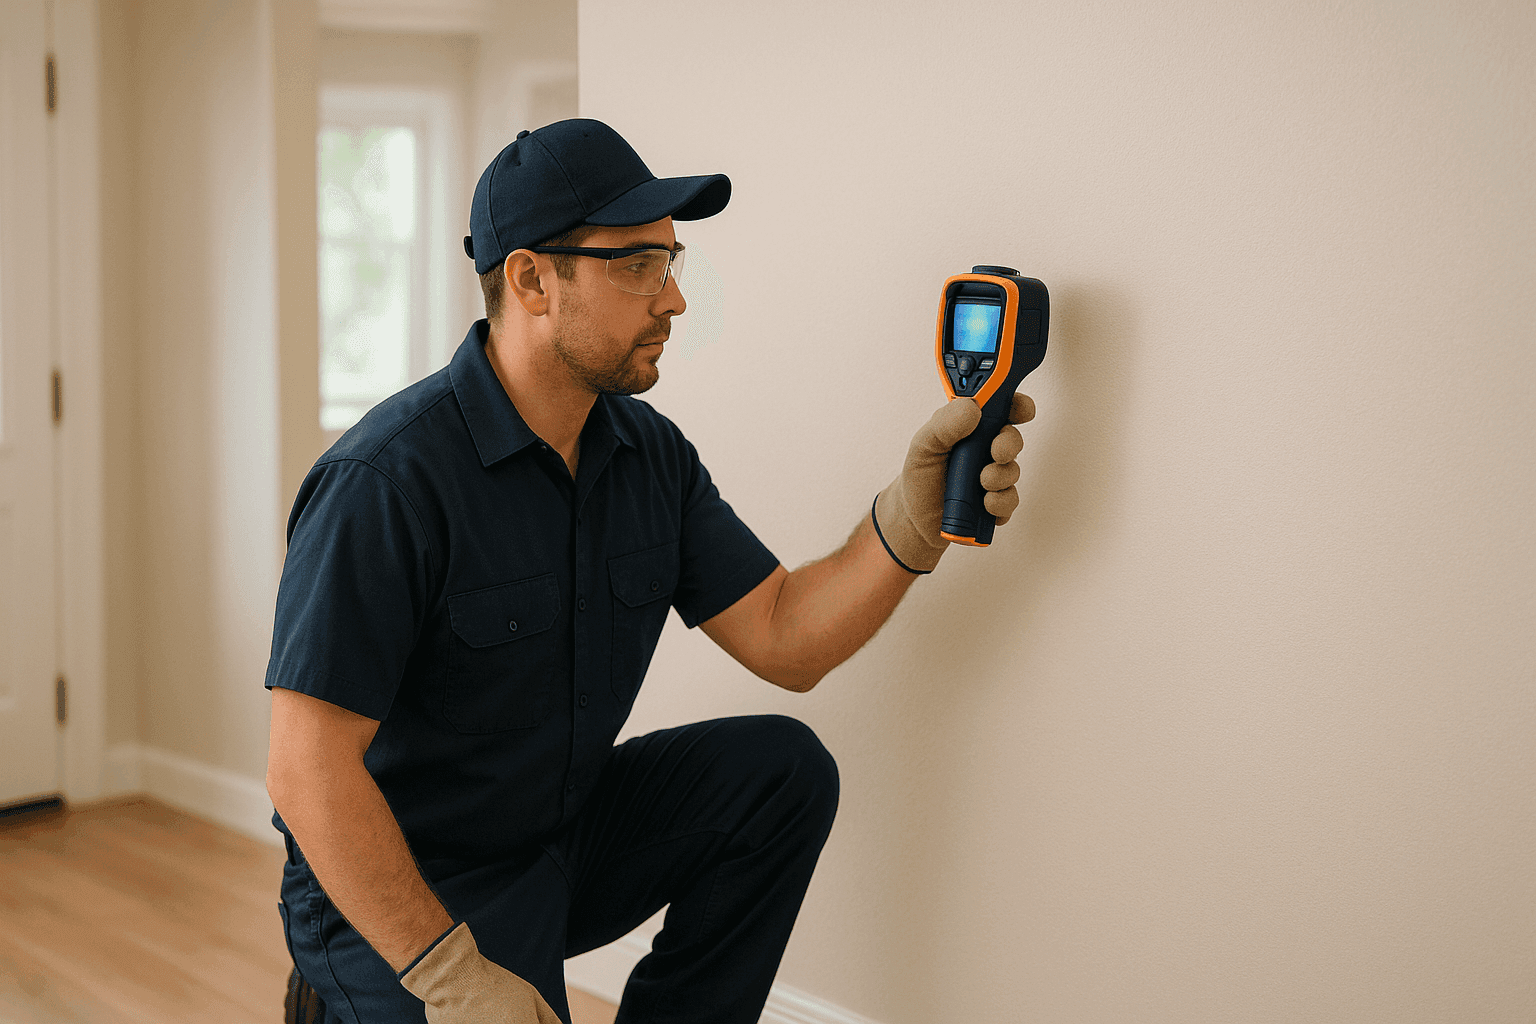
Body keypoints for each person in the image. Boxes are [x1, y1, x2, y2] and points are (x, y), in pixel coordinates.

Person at [265, 118, 1034, 1024]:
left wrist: (910, 521)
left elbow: (784, 635)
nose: (673, 300)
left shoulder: (647, 455)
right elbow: (305, 769)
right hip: (399, 890)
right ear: (532, 280)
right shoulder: (386, 480)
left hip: (556, 841)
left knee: (779, 771)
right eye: (636, 265)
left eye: (671, 263)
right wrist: (453, 980)